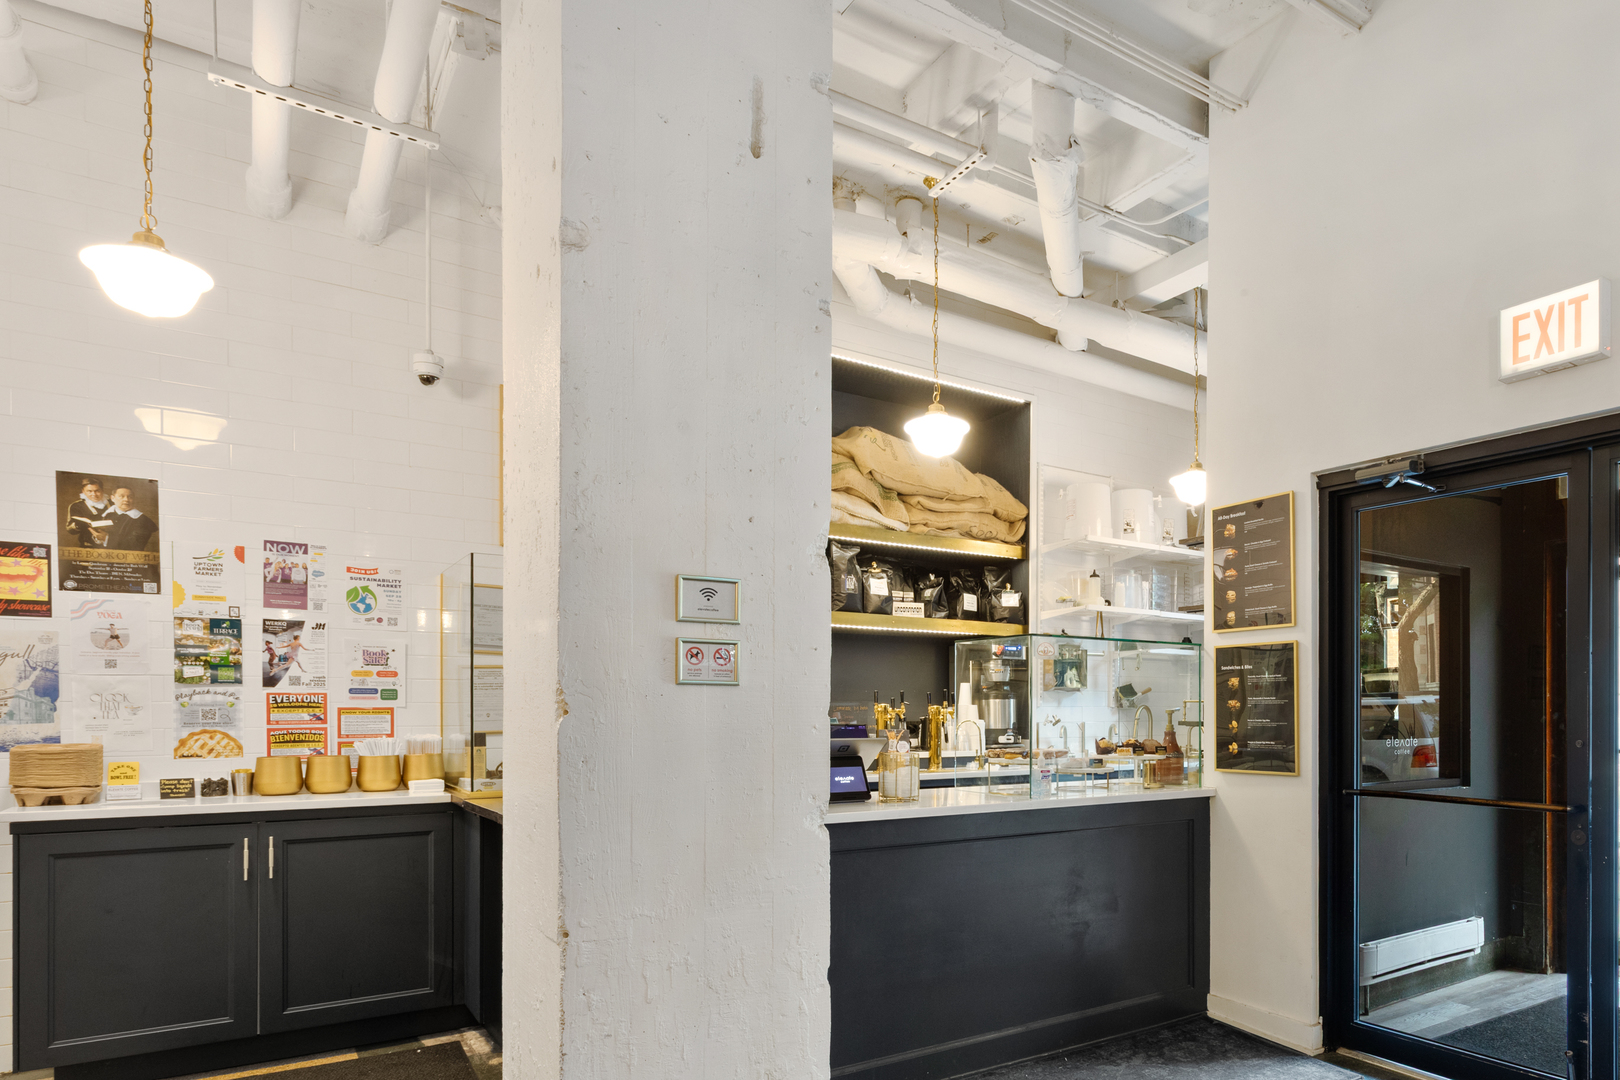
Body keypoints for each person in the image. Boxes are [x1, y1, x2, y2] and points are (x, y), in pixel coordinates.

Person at [63, 478, 111, 547]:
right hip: (88, 546)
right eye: (89, 491)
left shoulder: (112, 504)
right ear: (83, 491)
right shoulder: (76, 506)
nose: (94, 494)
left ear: (102, 490)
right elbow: (70, 529)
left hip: (113, 544)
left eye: (97, 491)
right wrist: (80, 525)